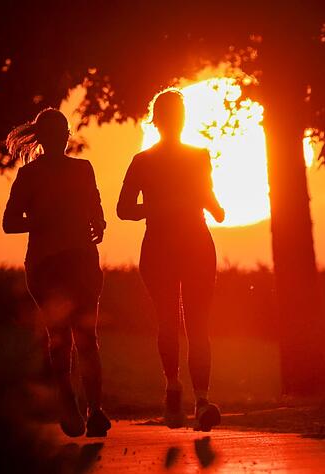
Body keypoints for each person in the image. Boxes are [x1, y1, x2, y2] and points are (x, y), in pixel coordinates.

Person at [117, 89, 225, 431]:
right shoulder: (172, 158)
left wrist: (210, 206)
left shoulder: (148, 160)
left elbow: (207, 197)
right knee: (192, 324)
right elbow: (122, 209)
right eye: (175, 115)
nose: (176, 120)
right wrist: (205, 207)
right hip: (186, 243)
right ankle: (193, 397)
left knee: (179, 322)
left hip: (171, 244)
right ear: (168, 120)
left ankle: (182, 392)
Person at [2, 108, 111, 438]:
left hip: (80, 261)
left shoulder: (83, 169)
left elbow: (96, 210)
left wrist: (99, 225)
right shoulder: (28, 176)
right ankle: (70, 405)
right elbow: (9, 223)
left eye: (60, 132)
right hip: (46, 264)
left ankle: (94, 410)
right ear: (40, 138)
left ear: (67, 135)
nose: (55, 138)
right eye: (48, 133)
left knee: (87, 338)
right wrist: (42, 222)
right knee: (61, 339)